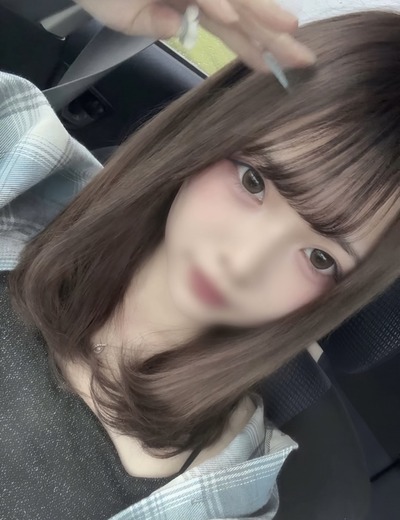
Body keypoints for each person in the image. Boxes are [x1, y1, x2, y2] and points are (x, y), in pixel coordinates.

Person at [1, 5, 400, 520]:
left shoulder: (226, 493)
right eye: (253, 182)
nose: (242, 262)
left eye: (320, 258)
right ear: (212, 132)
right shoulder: (21, 157)